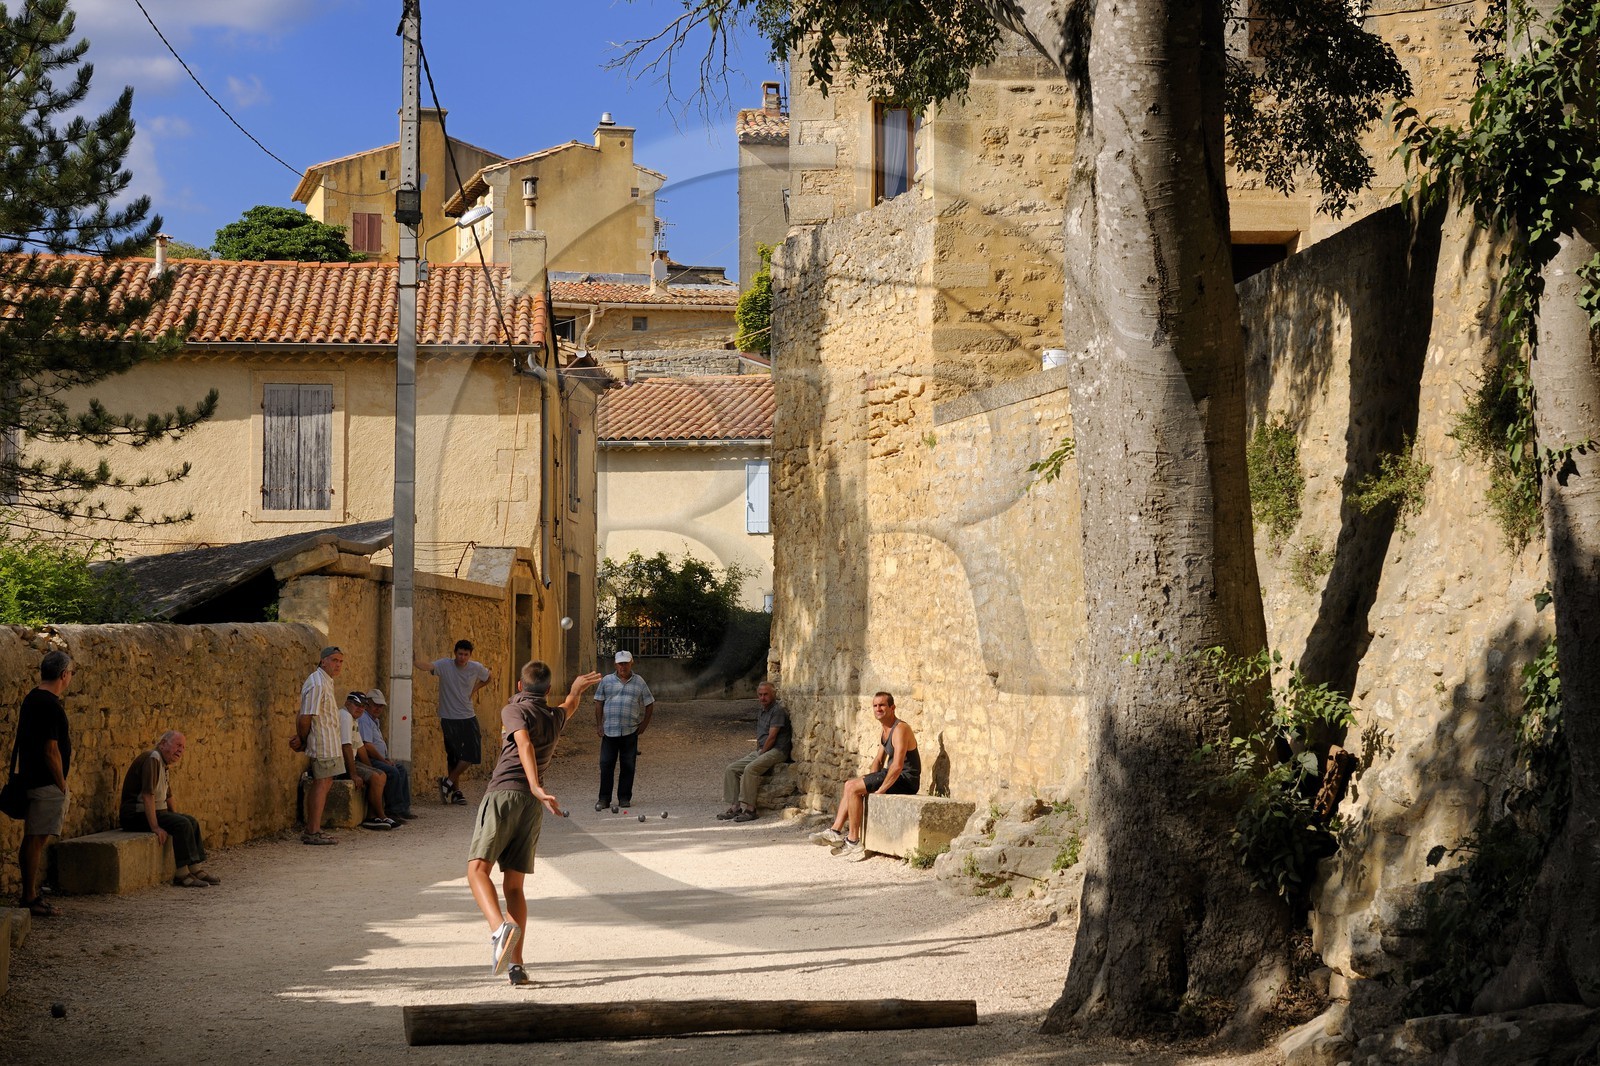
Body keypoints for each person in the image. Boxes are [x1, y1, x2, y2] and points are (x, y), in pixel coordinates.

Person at [467, 661, 602, 985]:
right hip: (530, 806)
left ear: (518, 686)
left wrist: (535, 785)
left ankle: (499, 929)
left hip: (506, 794)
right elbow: (568, 706)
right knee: (514, 887)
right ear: (546, 691)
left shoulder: (514, 711)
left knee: (476, 871)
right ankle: (516, 967)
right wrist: (575, 690)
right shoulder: (554, 716)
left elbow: (523, 742)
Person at [809, 691, 920, 861]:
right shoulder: (885, 730)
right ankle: (835, 831)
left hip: (905, 780)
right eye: (875, 706)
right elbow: (878, 759)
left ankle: (853, 841)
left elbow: (897, 766)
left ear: (892, 707)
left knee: (853, 788)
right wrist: (868, 780)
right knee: (850, 784)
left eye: (882, 705)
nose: (878, 709)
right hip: (893, 775)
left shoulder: (900, 729)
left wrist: (880, 790)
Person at [117, 731, 220, 888]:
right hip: (135, 815)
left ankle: (195, 869)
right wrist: (155, 827)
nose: (181, 750)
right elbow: (147, 795)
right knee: (182, 824)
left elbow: (168, 796)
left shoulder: (163, 764)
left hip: (155, 812)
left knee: (190, 822)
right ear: (163, 743)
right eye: (178, 745)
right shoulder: (153, 759)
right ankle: (182, 875)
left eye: (184, 747)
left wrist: (176, 816)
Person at [13, 650, 73, 916]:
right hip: (45, 782)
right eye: (70, 672)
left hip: (33, 778)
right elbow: (51, 749)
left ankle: (30, 894)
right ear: (63, 675)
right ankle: (30, 897)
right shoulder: (48, 704)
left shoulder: (32, 699)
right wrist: (60, 783)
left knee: (33, 838)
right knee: (36, 839)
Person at [415, 639, 491, 805]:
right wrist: (414, 661)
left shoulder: (475, 667)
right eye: (459, 654)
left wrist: (475, 689)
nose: (462, 657)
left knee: (472, 754)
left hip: (468, 716)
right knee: (454, 757)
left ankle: (447, 782)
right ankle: (456, 792)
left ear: (470, 655)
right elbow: (429, 666)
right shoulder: (445, 665)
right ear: (454, 653)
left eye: (465, 654)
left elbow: (488, 677)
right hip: (449, 718)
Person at [288, 645, 345, 845]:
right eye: (334, 660)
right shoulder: (318, 683)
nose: (338, 665)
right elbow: (305, 716)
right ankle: (312, 831)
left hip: (329, 741)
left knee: (325, 782)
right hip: (323, 742)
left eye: (340, 661)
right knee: (321, 784)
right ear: (323, 661)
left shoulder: (325, 681)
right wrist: (302, 739)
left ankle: (314, 829)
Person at [717, 682, 790, 822]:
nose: (763, 698)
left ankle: (751, 810)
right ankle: (735, 807)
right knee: (731, 769)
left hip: (777, 750)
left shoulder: (777, 711)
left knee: (750, 769)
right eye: (760, 695)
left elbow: (772, 736)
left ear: (773, 694)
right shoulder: (762, 710)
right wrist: (759, 751)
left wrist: (761, 753)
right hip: (763, 749)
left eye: (766, 694)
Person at [592, 650, 655, 812]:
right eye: (620, 663)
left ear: (631, 663)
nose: (623, 666)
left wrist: (644, 724)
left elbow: (649, 703)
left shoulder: (639, 681)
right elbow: (598, 702)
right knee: (606, 764)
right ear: (615, 664)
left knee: (628, 765)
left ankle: (624, 798)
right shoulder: (606, 681)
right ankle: (604, 799)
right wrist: (599, 725)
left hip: (630, 731)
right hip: (609, 731)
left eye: (626, 663)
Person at [339, 692, 396, 830]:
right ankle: (380, 815)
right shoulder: (345, 716)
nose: (360, 709)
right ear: (347, 704)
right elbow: (346, 747)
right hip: (341, 763)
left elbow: (360, 747)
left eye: (363, 706)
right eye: (357, 705)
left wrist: (371, 770)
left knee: (380, 775)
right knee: (377, 777)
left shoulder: (354, 719)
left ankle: (373, 816)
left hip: (351, 760)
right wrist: (353, 774)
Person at [356, 688, 414, 820]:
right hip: (369, 759)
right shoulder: (364, 719)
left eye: (380, 706)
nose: (378, 708)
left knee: (401, 770)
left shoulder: (373, 720)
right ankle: (393, 810)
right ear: (367, 704)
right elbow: (367, 745)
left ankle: (403, 808)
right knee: (392, 772)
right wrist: (384, 760)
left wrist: (385, 759)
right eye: (375, 705)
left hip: (379, 758)